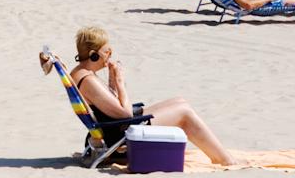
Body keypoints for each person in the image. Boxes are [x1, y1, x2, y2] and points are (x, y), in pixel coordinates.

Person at [69, 26, 233, 165]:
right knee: (184, 113)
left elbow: (108, 104)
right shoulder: (89, 80)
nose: (110, 56)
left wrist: (112, 79)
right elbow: (124, 113)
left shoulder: (80, 73)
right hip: (119, 134)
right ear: (93, 54)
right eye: (108, 51)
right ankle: (224, 160)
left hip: (112, 127)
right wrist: (119, 82)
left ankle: (219, 153)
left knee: (180, 101)